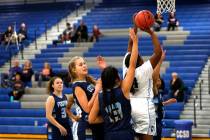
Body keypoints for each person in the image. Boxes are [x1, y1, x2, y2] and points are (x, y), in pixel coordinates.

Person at [88, 28, 138, 140]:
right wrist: (135, 42)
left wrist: (106, 118)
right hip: (125, 134)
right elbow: (132, 65)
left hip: (109, 135)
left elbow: (91, 119)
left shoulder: (100, 96)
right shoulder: (123, 90)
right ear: (116, 79)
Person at [123, 16, 162, 140]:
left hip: (129, 107)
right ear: (138, 59)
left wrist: (135, 24)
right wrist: (150, 32)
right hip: (144, 108)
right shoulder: (145, 69)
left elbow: (131, 45)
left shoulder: (126, 66)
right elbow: (158, 53)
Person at [68, 56, 105, 140]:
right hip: (85, 122)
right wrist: (96, 91)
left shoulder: (88, 82)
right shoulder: (77, 86)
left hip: (97, 121)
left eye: (84, 63)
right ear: (74, 70)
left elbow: (103, 82)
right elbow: (87, 109)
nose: (84, 66)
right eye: (80, 65)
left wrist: (103, 69)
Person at [152, 50, 177, 140]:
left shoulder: (158, 92)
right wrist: (160, 60)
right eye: (157, 79)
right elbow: (153, 77)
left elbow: (157, 105)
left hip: (158, 123)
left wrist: (167, 102)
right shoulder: (152, 89)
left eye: (159, 79)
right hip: (153, 123)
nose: (159, 81)